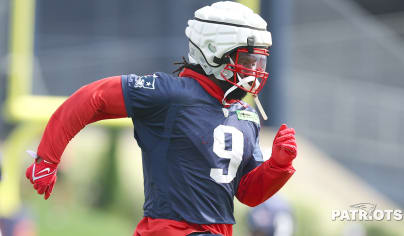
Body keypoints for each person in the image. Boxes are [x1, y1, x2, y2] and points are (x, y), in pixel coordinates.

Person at [25, 2, 298, 236]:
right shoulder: (170, 94)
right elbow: (92, 97)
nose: (254, 70)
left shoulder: (245, 114)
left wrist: (278, 165)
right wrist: (47, 158)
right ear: (215, 50)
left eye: (257, 62)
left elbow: (248, 194)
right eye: (247, 60)